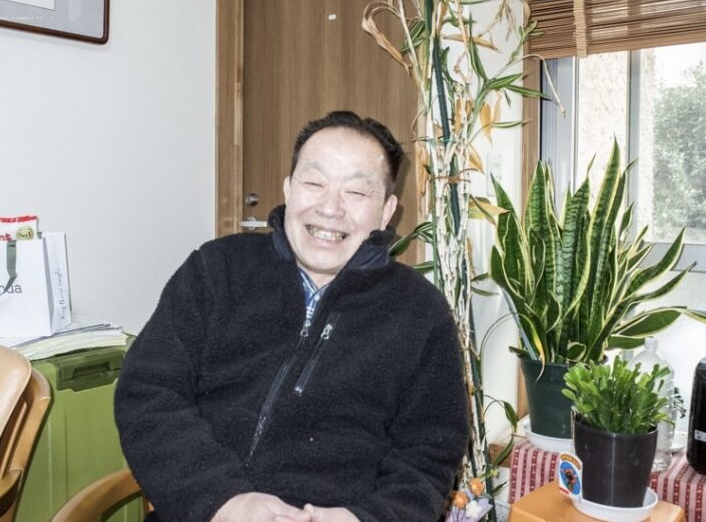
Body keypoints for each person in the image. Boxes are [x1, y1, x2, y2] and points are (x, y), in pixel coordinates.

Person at [115, 111, 469, 522]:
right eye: (314, 183)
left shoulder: (420, 312)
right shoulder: (217, 269)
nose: (330, 208)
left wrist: (362, 517)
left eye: (357, 192)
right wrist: (224, 502)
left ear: (387, 210)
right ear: (288, 188)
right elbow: (149, 393)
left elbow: (429, 454)